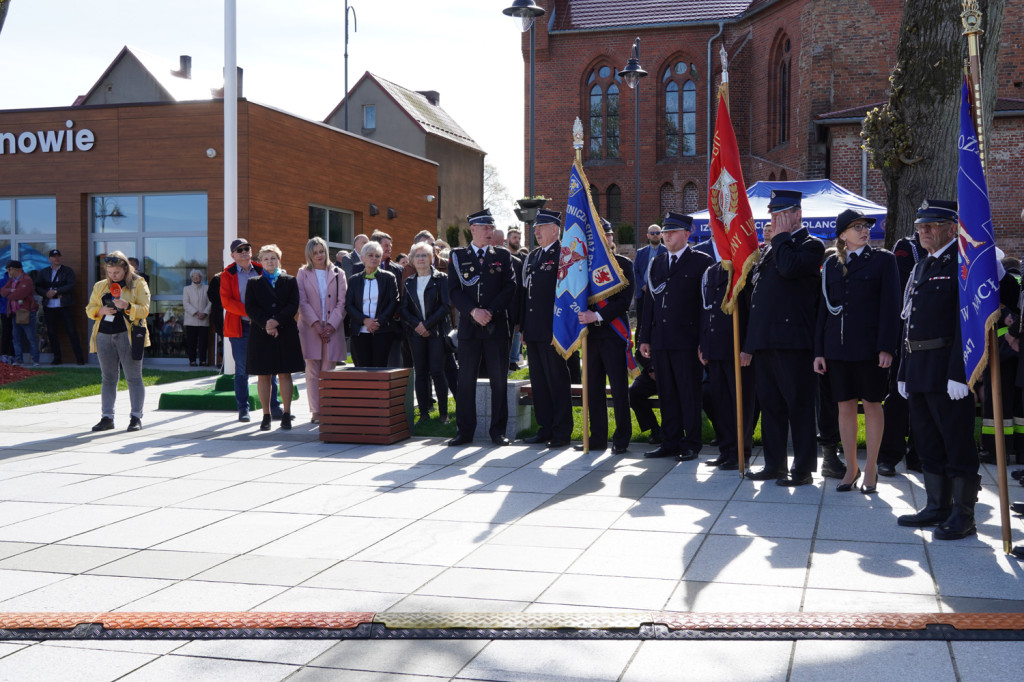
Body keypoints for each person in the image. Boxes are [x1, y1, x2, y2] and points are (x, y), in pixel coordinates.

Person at [897, 200, 1018, 539]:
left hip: (950, 367)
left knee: (957, 442)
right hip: (919, 366)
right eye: (921, 225)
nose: (923, 231)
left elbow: (969, 322)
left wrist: (961, 372)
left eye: (931, 225)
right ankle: (937, 505)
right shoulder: (924, 265)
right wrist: (905, 370)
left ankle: (964, 515)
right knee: (927, 441)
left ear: (953, 228)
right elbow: (911, 322)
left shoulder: (967, 262)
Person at [813, 209, 901, 493]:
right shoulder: (831, 265)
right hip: (836, 349)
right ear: (842, 235)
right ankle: (851, 468)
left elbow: (891, 306)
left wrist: (887, 347)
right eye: (857, 227)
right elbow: (823, 311)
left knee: (873, 404)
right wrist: (819, 351)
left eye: (866, 226)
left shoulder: (883, 261)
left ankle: (871, 468)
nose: (864, 231)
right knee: (844, 406)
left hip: (870, 349)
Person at [745, 189, 825, 486]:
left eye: (782, 215)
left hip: (793, 342)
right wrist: (750, 344)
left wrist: (779, 239)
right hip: (766, 341)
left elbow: (791, 269)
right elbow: (759, 299)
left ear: (798, 214)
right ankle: (774, 464)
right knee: (771, 405)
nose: (776, 221)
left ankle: (802, 469)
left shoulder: (810, 244)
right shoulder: (772, 248)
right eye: (773, 215)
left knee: (799, 406)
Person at [639, 212, 713, 460]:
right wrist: (644, 337)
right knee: (667, 391)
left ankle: (691, 442)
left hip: (687, 340)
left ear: (686, 234)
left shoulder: (701, 261)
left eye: (672, 231)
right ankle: (669, 440)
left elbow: (705, 305)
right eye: (664, 232)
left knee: (688, 392)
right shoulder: (657, 263)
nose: (666, 236)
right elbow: (649, 303)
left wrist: (704, 341)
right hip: (661, 339)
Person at [447, 208, 517, 446]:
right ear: (473, 230)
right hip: (469, 328)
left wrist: (490, 312)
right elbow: (454, 291)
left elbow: (509, 287)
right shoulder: (457, 257)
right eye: (485, 227)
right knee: (465, 380)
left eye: (491, 227)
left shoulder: (502, 256)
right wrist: (473, 311)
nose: (490, 231)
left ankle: (498, 431)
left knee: (499, 380)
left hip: (496, 328)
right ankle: (464, 431)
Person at [577, 219, 635, 454]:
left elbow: (624, 301)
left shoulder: (623, 264)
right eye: (601, 236)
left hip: (613, 334)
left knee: (619, 388)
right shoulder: (583, 266)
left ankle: (622, 437)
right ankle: (597, 437)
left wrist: (598, 316)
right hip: (590, 337)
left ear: (612, 239)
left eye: (608, 235)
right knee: (593, 389)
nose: (606, 239)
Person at [519, 209, 573, 449]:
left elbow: (569, 295)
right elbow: (526, 295)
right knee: (539, 381)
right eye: (535, 229)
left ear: (555, 229)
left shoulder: (565, 254)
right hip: (533, 330)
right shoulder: (532, 257)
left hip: (554, 331)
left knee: (557, 382)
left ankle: (561, 432)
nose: (537, 232)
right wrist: (523, 328)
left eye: (541, 228)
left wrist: (561, 330)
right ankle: (545, 428)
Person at [698, 241, 753, 471]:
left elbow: (751, 311)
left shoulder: (745, 270)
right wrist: (703, 343)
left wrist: (748, 348)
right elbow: (706, 309)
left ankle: (741, 451)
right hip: (715, 347)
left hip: (737, 349)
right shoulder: (711, 271)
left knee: (739, 402)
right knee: (719, 401)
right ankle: (726, 449)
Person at [84, 251, 150, 431]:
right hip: (104, 335)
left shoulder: (138, 283)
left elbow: (144, 310)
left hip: (127, 335)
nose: (113, 276)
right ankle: (107, 417)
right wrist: (101, 311)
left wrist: (128, 306)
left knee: (134, 378)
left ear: (126, 270)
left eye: (117, 273)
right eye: (110, 272)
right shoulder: (100, 286)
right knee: (108, 378)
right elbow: (90, 308)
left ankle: (136, 417)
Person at [877, 230, 925, 476]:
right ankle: (889, 456)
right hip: (905, 333)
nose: (928, 232)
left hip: (935, 336)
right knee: (897, 397)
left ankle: (919, 455)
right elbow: (903, 282)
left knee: (927, 399)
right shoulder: (908, 247)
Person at [219, 238, 281, 422]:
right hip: (241, 327)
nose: (244, 251)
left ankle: (274, 407)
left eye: (247, 248)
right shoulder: (227, 274)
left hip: (263, 326)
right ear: (232, 255)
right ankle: (243, 408)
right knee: (241, 370)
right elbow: (227, 302)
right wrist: (252, 312)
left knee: (270, 367)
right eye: (240, 250)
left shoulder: (262, 269)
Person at [245, 244, 304, 431]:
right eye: (266, 258)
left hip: (285, 331)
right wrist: (266, 324)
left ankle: (286, 414)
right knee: (263, 375)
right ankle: (266, 415)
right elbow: (250, 308)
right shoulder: (253, 282)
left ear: (279, 260)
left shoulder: (290, 281)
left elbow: (293, 305)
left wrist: (276, 321)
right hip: (261, 333)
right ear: (260, 262)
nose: (270, 261)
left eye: (273, 258)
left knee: (284, 373)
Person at [297, 236, 347, 423]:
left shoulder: (338, 272)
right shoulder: (302, 273)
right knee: (312, 370)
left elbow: (342, 302)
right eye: (315, 252)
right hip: (311, 329)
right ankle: (316, 411)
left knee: (328, 370)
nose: (319, 255)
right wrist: (317, 325)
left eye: (322, 251)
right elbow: (302, 301)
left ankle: (329, 408)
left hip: (332, 329)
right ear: (309, 254)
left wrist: (331, 325)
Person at [401, 241, 451, 423]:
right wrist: (418, 326)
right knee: (420, 372)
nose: (420, 259)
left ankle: (444, 414)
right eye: (417, 256)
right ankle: (423, 414)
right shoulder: (409, 282)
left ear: (431, 258)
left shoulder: (441, 279)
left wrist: (427, 325)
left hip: (436, 333)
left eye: (424, 255)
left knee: (438, 372)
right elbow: (404, 309)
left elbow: (445, 306)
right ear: (412, 260)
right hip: (416, 334)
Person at [345, 240, 400, 367]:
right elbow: (348, 304)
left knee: (379, 368)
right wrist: (364, 320)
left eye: (377, 256)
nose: (374, 258)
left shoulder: (389, 278)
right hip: (359, 331)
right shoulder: (354, 280)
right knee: (362, 369)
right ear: (363, 258)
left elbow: (394, 301)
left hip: (382, 330)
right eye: (370, 255)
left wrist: (378, 321)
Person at [34, 249, 86, 365]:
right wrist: (45, 293)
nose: (56, 258)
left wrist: (56, 291)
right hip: (49, 307)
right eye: (54, 257)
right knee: (52, 333)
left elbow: (71, 285)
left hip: (65, 306)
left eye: (58, 256)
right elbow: (38, 286)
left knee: (72, 331)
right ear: (50, 259)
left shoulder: (67, 271)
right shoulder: (44, 272)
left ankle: (79, 358)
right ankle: (57, 358)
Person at [633, 224, 667, 348]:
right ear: (647, 235)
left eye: (657, 233)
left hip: (660, 294)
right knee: (641, 322)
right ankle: (638, 349)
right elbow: (635, 271)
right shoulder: (641, 252)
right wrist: (643, 286)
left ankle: (658, 347)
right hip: (643, 293)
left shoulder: (667, 251)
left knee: (658, 321)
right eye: (652, 233)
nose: (655, 235)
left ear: (661, 235)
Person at [1, 261, 40, 367]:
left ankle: (35, 360)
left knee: (31, 337)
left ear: (15, 269)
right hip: (14, 313)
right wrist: (11, 290)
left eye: (9, 269)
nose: (8, 271)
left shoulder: (26, 280)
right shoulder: (11, 280)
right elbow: (2, 291)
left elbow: (19, 295)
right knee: (16, 338)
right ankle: (18, 360)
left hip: (26, 312)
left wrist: (10, 293)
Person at [182, 269, 211, 366]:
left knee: (203, 342)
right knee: (192, 342)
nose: (195, 278)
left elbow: (210, 302)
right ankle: (192, 360)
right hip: (191, 320)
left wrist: (205, 313)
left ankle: (203, 360)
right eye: (193, 276)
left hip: (204, 319)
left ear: (201, 277)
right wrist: (196, 313)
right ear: (191, 278)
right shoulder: (187, 289)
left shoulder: (207, 288)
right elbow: (186, 303)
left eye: (197, 276)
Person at [0, 264, 13, 364]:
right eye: (10, 269)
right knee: (6, 332)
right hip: (5, 311)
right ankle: (4, 354)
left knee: (15, 333)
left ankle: (12, 354)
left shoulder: (19, 281)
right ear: (7, 269)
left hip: (16, 311)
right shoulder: (2, 282)